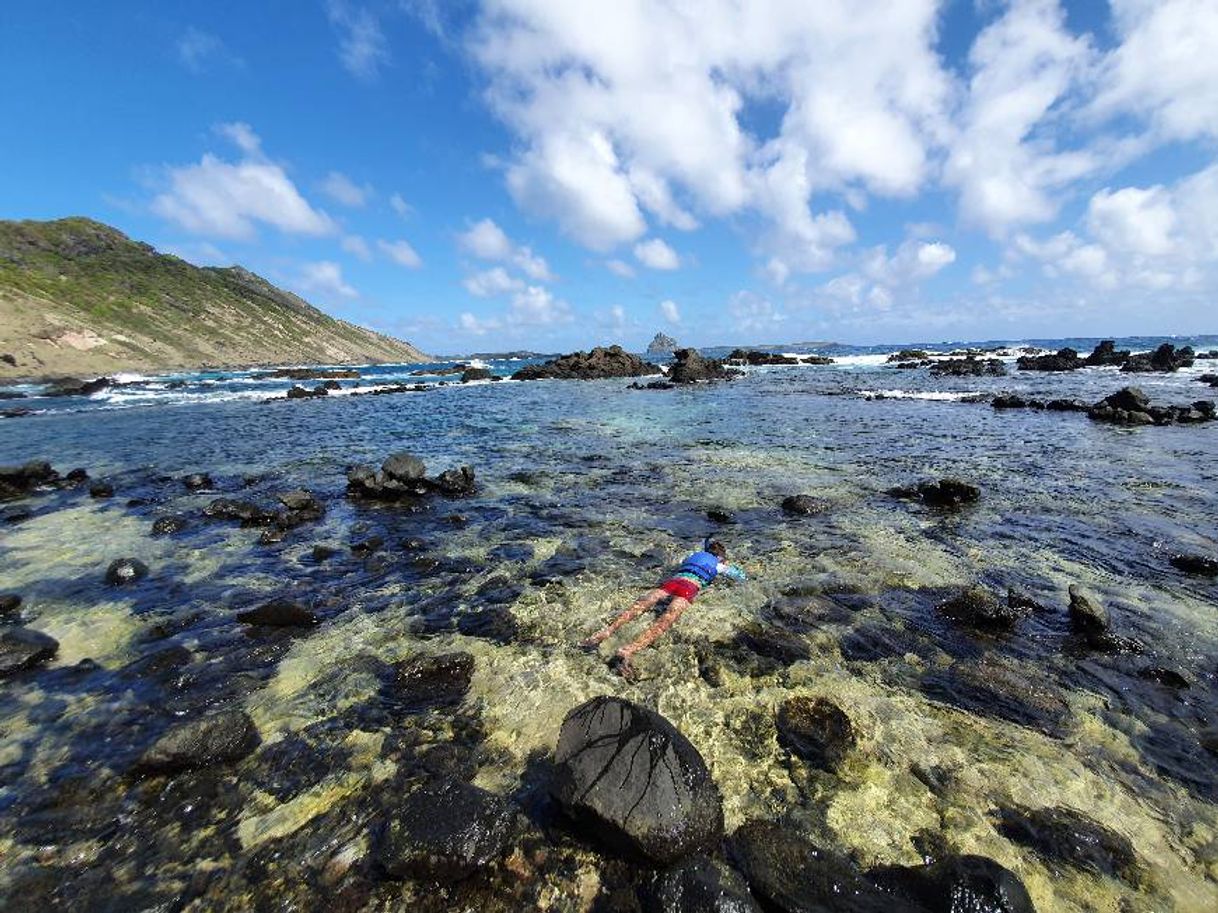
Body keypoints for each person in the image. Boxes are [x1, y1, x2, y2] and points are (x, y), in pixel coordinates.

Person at [581, 538, 747, 680]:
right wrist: (728, 566)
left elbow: (681, 563)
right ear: (720, 557)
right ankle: (628, 650)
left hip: (672, 582)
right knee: (666, 619)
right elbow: (740, 577)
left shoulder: (692, 557)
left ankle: (605, 632)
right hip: (689, 587)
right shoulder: (719, 565)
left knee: (640, 605)